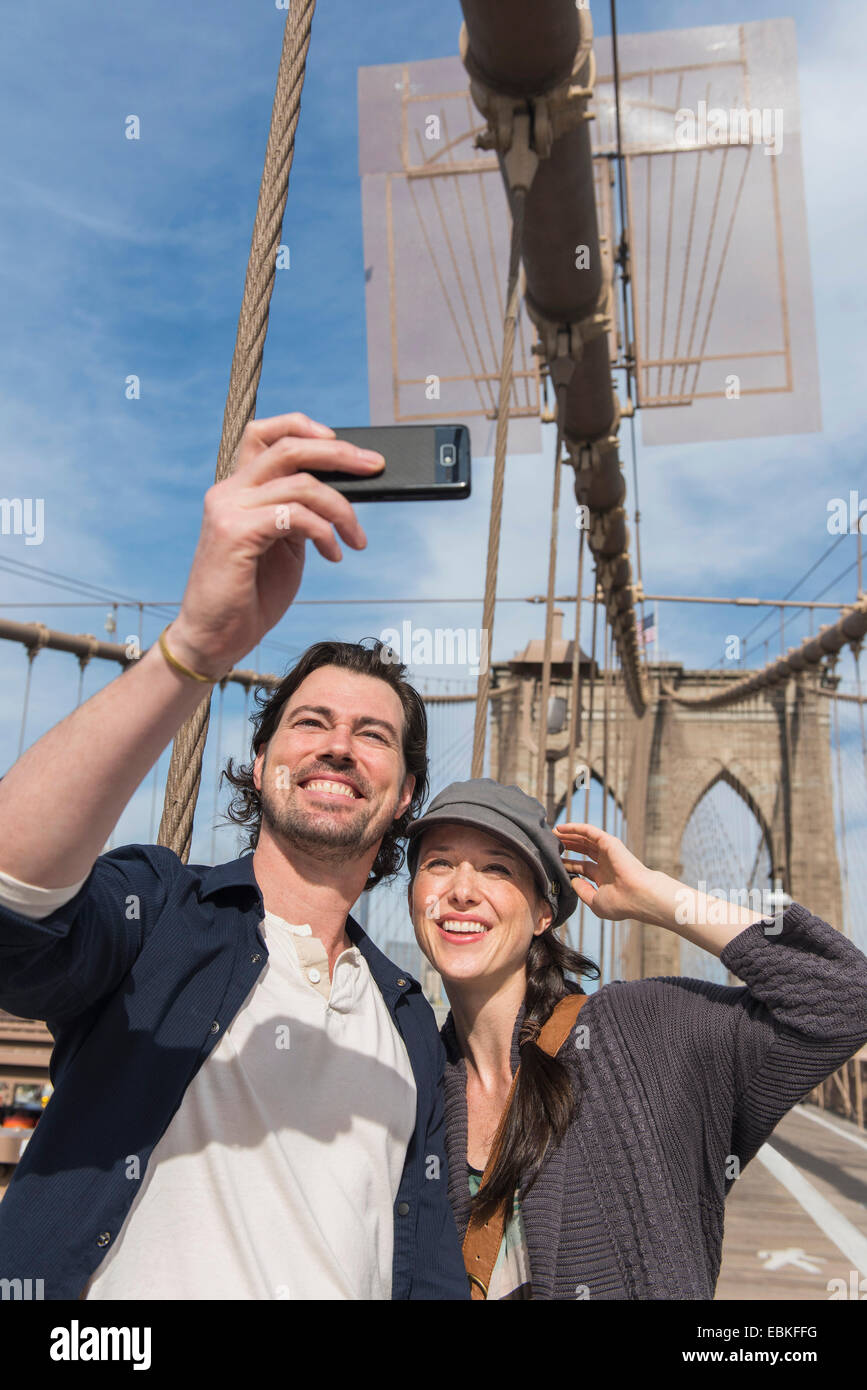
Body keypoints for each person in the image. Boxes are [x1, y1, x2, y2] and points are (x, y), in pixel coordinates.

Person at [0, 412, 468, 1300]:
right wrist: (195, 650)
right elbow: (10, 901)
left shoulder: (408, 1023)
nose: (338, 747)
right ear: (259, 767)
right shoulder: (153, 916)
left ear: (404, 795)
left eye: (373, 735)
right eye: (310, 723)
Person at [405, 777, 867, 1300]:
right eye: (438, 863)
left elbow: (845, 998)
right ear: (413, 895)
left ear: (543, 914)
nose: (462, 889)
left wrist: (656, 896)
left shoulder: (638, 1033)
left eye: (496, 867)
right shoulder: (411, 1081)